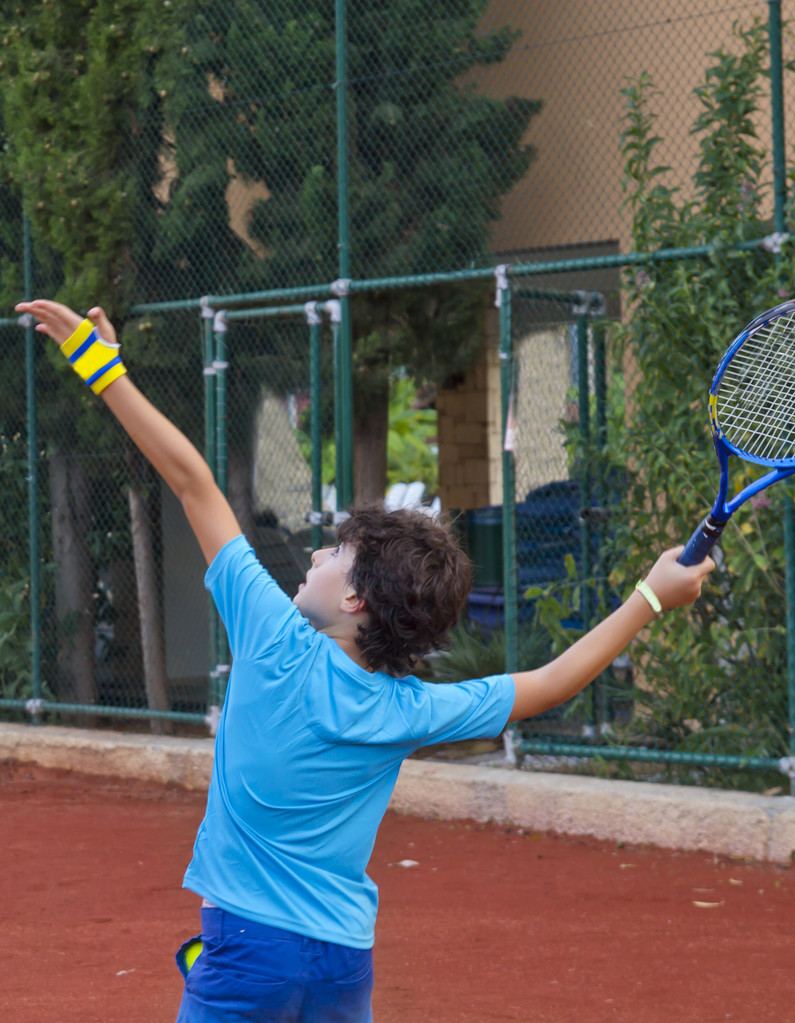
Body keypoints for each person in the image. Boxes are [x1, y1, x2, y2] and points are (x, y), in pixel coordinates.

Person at [17, 298, 714, 1023]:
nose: (315, 552)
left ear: (353, 600)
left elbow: (191, 480)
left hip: (247, 951)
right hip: (341, 960)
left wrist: (102, 371)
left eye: (333, 552)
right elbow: (545, 685)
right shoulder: (402, 706)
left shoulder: (270, 636)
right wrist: (649, 596)